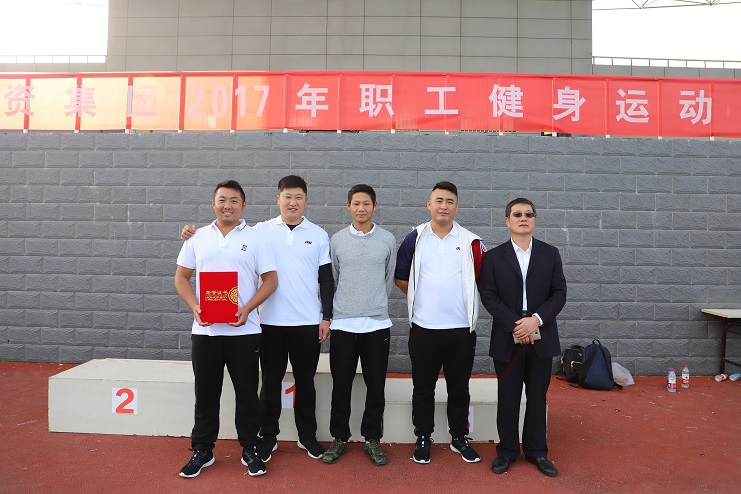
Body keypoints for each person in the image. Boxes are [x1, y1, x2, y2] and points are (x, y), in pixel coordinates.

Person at [182, 175, 333, 462]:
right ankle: (268, 436)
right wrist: (192, 231)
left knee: (306, 382)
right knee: (270, 383)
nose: (292, 202)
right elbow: (226, 231)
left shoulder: (319, 234)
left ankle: (307, 436)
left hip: (308, 322)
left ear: (306, 200)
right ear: (278, 199)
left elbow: (325, 279)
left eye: (298, 197)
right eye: (287, 196)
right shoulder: (261, 231)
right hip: (269, 322)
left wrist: (326, 317)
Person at [175, 180, 278, 478]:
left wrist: (248, 308)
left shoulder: (257, 238)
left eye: (234, 200)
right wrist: (195, 307)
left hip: (245, 331)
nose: (227, 205)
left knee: (247, 395)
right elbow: (181, 278)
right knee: (206, 394)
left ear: (243, 205)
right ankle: (203, 450)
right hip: (205, 332)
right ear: (213, 203)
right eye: (222, 200)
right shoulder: (196, 237)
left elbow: (271, 280)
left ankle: (250, 448)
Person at [394, 181, 486, 464]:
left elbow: (482, 279)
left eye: (449, 201)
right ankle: (423, 436)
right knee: (423, 387)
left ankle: (459, 437)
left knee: (459, 387)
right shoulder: (415, 237)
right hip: (424, 328)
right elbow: (400, 277)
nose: (443, 206)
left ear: (457, 206)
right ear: (429, 204)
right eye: (438, 201)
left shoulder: (472, 241)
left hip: (461, 329)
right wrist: (423, 299)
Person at [477, 198, 567, 478]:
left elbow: (559, 293)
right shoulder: (494, 257)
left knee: (537, 397)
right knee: (508, 396)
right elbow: (488, 295)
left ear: (535, 220)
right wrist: (518, 325)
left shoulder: (550, 254)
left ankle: (537, 452)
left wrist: (535, 320)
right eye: (517, 214)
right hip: (508, 335)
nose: (523, 218)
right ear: (507, 221)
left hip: (542, 333)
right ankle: (506, 452)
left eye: (529, 214)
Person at [322, 184, 397, 467]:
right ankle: (339, 438)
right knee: (340, 385)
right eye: (356, 203)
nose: (361, 208)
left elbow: (388, 278)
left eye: (366, 203)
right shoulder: (337, 240)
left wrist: (373, 303)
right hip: (343, 324)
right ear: (348, 206)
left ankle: (372, 438)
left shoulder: (387, 239)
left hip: (376, 324)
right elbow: (333, 277)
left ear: (375, 206)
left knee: (376, 386)